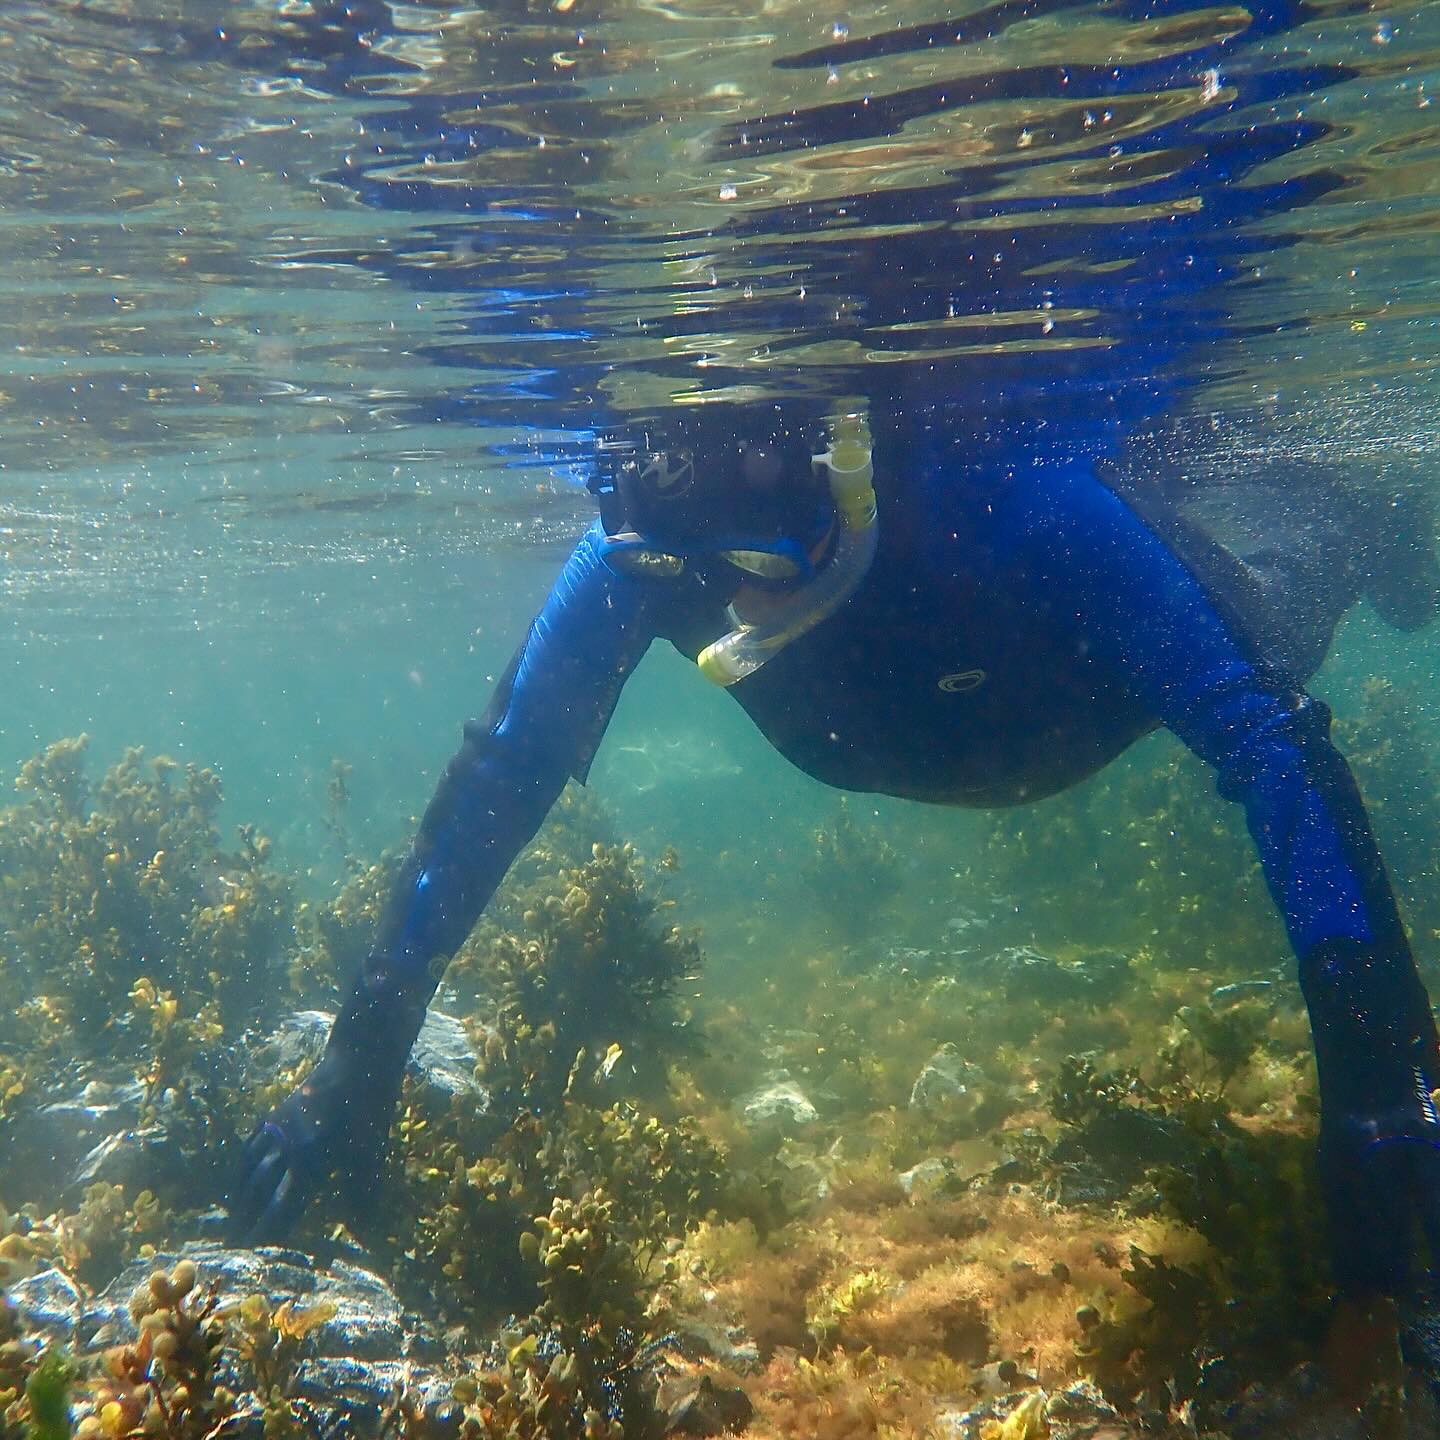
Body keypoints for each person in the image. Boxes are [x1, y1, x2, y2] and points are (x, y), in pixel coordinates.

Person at [231, 402, 1440, 1301]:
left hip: (1092, 702)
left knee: (1283, 590)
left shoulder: (1005, 494)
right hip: (975, 727)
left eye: (762, 564)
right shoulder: (649, 547)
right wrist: (358, 1060)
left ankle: (1348, 519)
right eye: (701, 576)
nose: (740, 607)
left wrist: (1376, 1086)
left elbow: (1270, 746)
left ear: (843, 479)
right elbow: (508, 768)